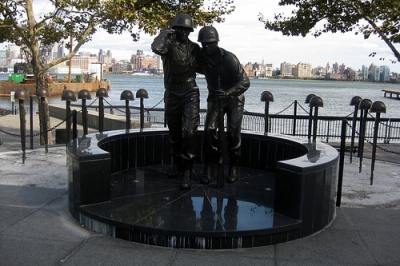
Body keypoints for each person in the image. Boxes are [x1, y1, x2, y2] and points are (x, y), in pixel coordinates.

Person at [151, 14, 200, 189]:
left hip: (190, 92)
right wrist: (164, 33)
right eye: (179, 29)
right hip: (172, 93)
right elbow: (156, 47)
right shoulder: (168, 46)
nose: (183, 32)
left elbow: (208, 66)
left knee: (189, 132)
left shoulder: (195, 49)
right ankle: (177, 164)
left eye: (186, 29)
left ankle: (187, 169)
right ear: (174, 29)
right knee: (174, 133)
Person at [197, 26, 250, 184]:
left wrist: (229, 92)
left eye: (210, 43)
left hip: (234, 97)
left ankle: (233, 166)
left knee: (233, 132)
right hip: (215, 98)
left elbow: (245, 81)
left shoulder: (229, 58)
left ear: (216, 42)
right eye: (204, 44)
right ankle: (209, 166)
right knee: (209, 130)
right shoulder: (201, 57)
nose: (206, 47)